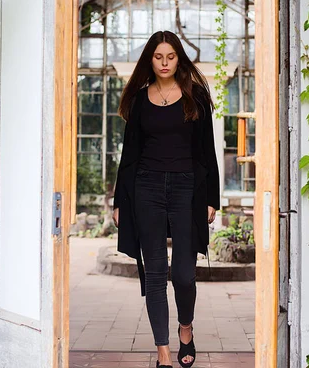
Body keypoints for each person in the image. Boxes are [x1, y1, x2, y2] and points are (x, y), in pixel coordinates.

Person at [112, 30, 220, 368]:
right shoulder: (140, 100)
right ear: (150, 59)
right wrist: (119, 201)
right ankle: (163, 351)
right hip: (146, 187)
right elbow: (129, 154)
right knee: (156, 273)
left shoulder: (196, 96)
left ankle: (185, 328)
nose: (164, 63)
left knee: (185, 274)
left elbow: (208, 152)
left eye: (170, 57)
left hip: (188, 189)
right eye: (158, 57)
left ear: (179, 58)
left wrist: (212, 198)